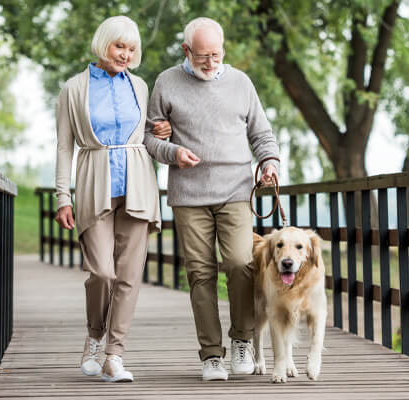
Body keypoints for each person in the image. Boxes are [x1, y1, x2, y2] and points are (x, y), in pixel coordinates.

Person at [144, 17, 280, 381]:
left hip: (235, 189)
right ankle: (211, 355)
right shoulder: (167, 82)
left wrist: (269, 162)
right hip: (189, 194)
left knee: (240, 263)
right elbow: (148, 137)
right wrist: (173, 153)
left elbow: (262, 133)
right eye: (202, 56)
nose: (209, 63)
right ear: (187, 50)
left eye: (216, 55)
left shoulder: (240, 82)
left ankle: (242, 340)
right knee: (200, 272)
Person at [54, 15, 171, 383]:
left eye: (132, 48)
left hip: (138, 182)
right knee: (103, 272)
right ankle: (93, 336)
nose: (125, 54)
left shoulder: (139, 85)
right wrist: (62, 195)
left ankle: (114, 354)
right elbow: (63, 147)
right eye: (119, 45)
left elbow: (145, 131)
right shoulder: (74, 89)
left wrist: (161, 130)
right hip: (94, 184)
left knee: (129, 275)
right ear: (104, 43)